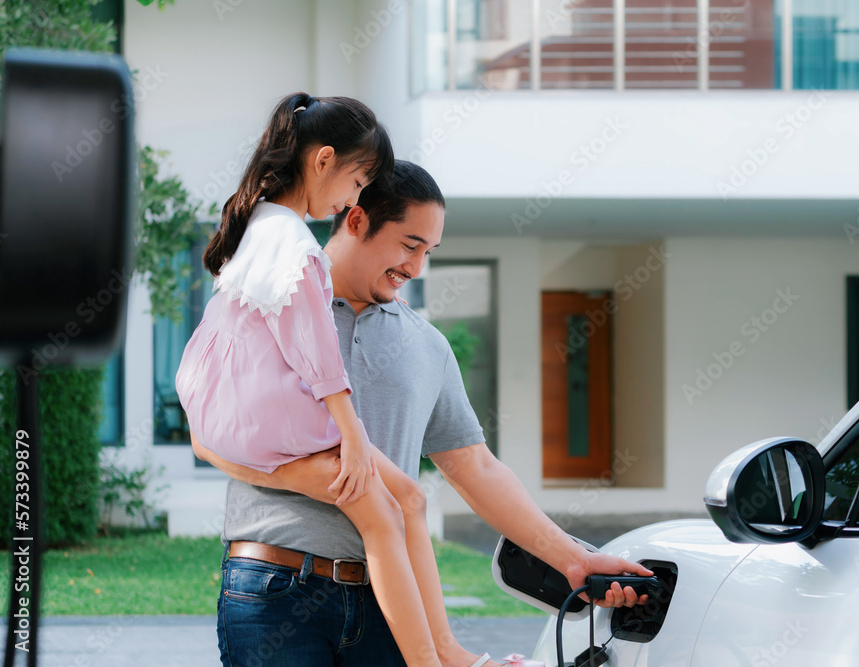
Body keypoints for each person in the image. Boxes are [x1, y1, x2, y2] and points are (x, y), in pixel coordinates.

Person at [191, 159, 654, 667]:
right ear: (356, 219)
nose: (416, 268)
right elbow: (210, 430)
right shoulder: (271, 305)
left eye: (428, 252)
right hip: (273, 591)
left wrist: (573, 558)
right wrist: (311, 477)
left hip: (391, 601)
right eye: (410, 245)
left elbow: (475, 468)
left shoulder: (427, 347)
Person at [176, 93, 465, 667]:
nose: (352, 198)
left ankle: (445, 651)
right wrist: (351, 434)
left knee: (407, 495)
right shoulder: (294, 244)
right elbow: (315, 353)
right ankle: (432, 661)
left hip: (233, 406)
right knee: (381, 511)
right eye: (357, 182)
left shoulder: (255, 225)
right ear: (323, 160)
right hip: (269, 413)